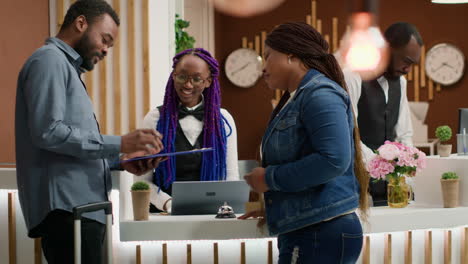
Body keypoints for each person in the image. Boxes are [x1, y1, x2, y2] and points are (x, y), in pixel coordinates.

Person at [15, 1, 163, 263]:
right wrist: (121, 143)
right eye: (105, 39)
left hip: (82, 212)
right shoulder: (49, 60)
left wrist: (122, 162)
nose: (106, 50)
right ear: (80, 23)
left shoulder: (65, 67)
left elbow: (68, 147)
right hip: (68, 213)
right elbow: (48, 132)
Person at [239, 22, 369, 263]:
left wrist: (269, 178)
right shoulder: (301, 96)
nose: (263, 68)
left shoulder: (320, 94)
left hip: (320, 232)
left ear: (291, 55)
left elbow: (333, 161)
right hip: (311, 229)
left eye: (268, 57)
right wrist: (279, 207)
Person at [138, 48, 239, 213]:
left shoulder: (224, 120)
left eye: (197, 79)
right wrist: (169, 204)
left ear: (208, 81)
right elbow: (142, 181)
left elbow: (231, 177)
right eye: (182, 76)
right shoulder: (155, 119)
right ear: (173, 76)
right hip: (164, 214)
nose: (187, 85)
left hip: (211, 213)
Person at [344, 22, 423, 206]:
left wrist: (406, 175)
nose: (408, 70)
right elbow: (349, 134)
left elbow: (404, 135)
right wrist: (379, 166)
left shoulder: (401, 83)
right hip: (356, 184)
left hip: (390, 185)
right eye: (406, 61)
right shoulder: (353, 76)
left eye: (413, 64)